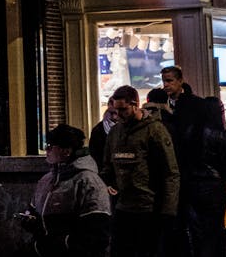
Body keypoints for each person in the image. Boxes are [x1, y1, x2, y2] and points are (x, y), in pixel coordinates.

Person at [101, 84, 180, 257]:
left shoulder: (155, 130)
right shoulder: (116, 132)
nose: (119, 115)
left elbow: (170, 172)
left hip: (148, 208)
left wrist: (168, 210)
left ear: (135, 104)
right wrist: (108, 182)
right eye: (116, 110)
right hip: (123, 206)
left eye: (123, 110)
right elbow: (107, 164)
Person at [21, 123, 111, 257]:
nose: (47, 150)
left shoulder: (88, 182)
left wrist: (63, 244)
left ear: (66, 151)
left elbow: (96, 232)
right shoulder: (47, 180)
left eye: (50, 147)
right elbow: (35, 209)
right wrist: (31, 220)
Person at [161, 65, 207, 255]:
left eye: (170, 81)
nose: (166, 85)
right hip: (175, 171)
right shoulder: (164, 106)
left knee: (194, 221)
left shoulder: (195, 105)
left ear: (180, 81)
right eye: (164, 81)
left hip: (191, 171)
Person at [184, 96, 226, 257]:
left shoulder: (191, 132)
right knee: (215, 230)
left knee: (199, 232)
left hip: (193, 187)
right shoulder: (218, 134)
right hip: (214, 188)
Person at [89, 97, 117, 166]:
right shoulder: (98, 130)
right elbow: (94, 154)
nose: (114, 117)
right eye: (111, 113)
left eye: (116, 113)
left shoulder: (127, 127)